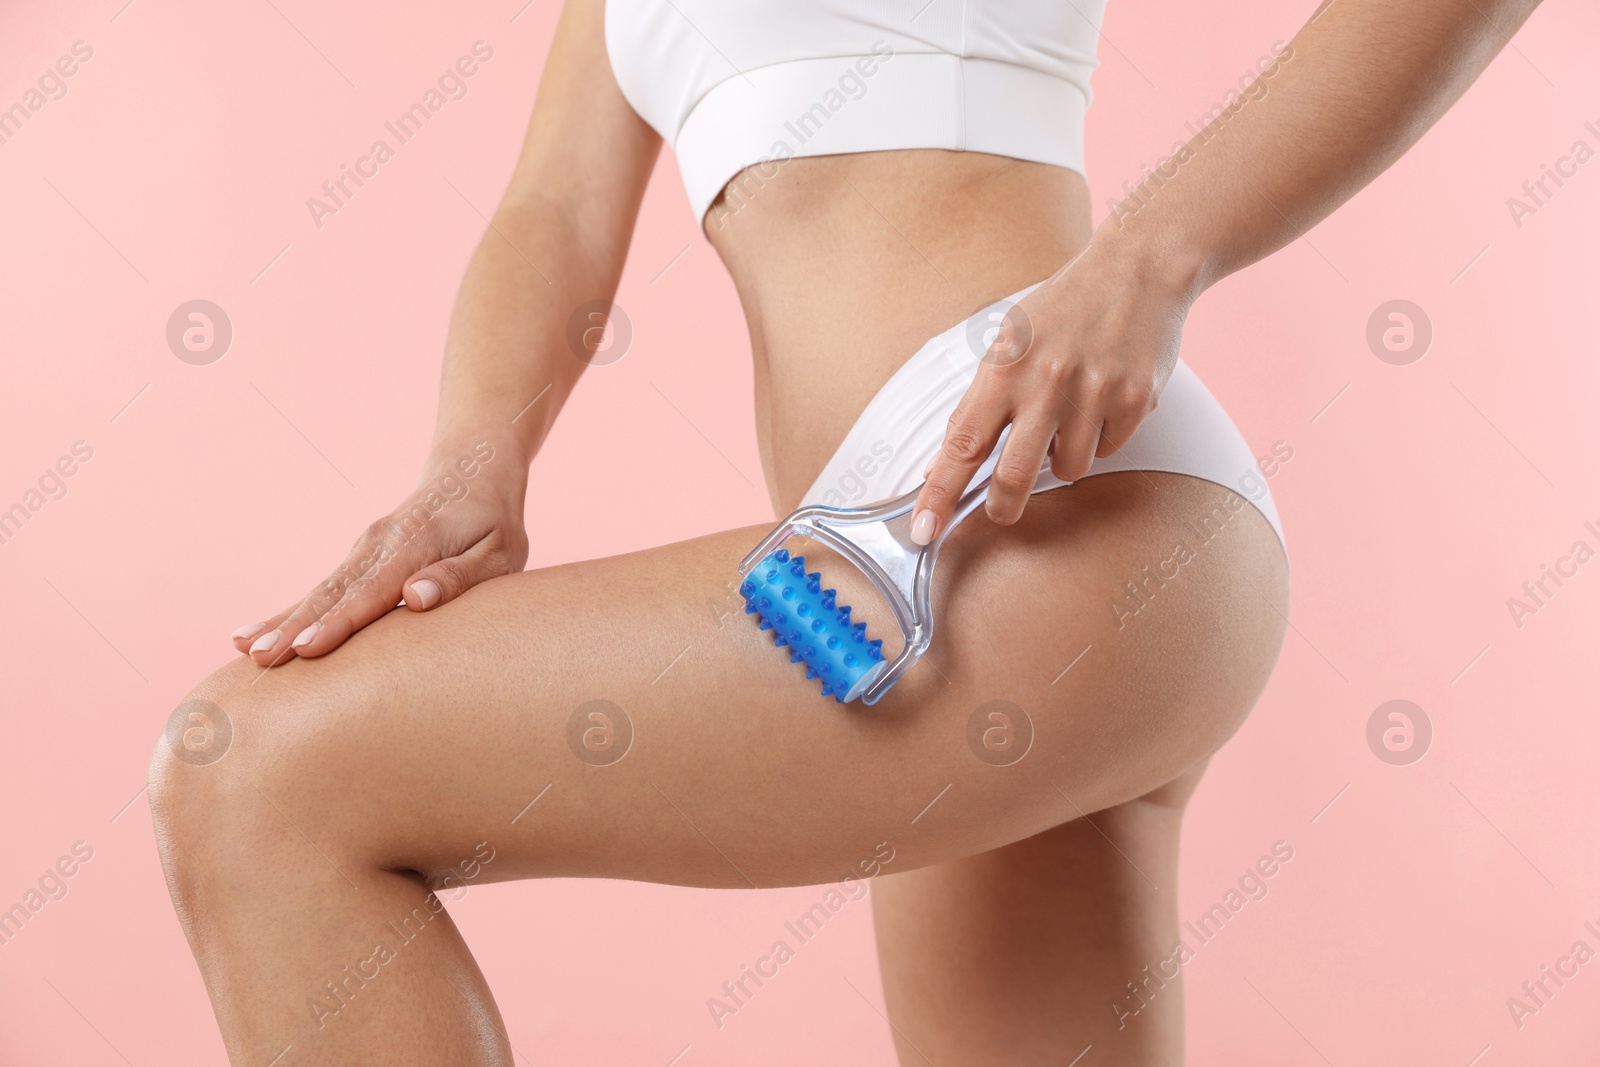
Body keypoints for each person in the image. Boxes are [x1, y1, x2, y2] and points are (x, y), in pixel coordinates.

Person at [149, 0, 1541, 1061]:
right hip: (904, 581)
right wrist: (475, 461)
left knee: (252, 774)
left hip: (1026, 504)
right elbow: (553, 211)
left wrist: (1155, 253)